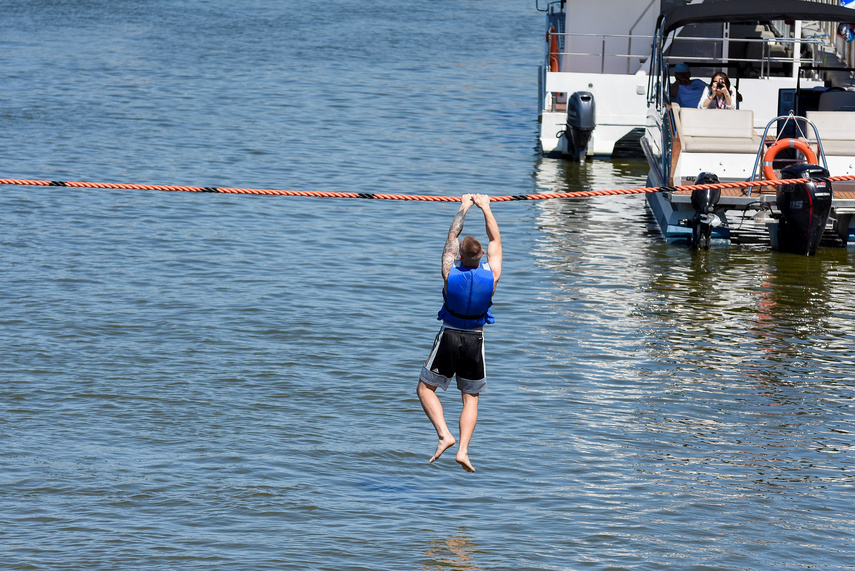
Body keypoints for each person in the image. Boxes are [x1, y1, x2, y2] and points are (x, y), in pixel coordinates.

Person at [417, 193, 502, 473]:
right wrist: (486, 208)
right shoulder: (492, 276)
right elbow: (495, 243)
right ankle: (464, 450)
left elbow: (452, 236)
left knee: (424, 388)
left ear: (461, 256)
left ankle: (444, 435)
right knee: (471, 398)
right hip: (475, 340)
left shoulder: (449, 273)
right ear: (481, 257)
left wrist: (464, 207)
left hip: (450, 336)